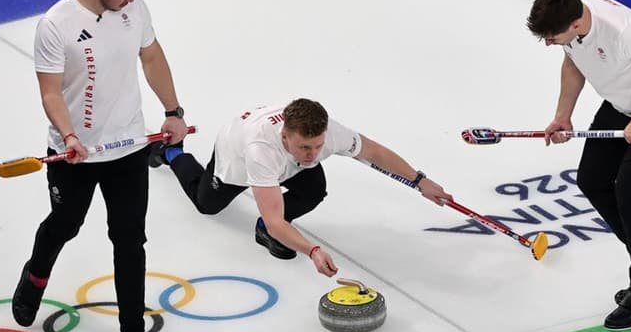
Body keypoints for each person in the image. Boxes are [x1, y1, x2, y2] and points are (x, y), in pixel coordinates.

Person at [11, 0, 188, 332]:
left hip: (127, 148)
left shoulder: (135, 8)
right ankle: (35, 275)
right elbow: (51, 91)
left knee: (130, 240)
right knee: (65, 224)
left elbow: (151, 56)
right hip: (74, 153)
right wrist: (70, 135)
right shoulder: (56, 24)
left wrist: (173, 111)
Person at [526, 0, 631, 330]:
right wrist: (562, 114)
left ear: (575, 24)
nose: (547, 43)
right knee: (591, 180)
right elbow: (573, 63)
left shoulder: (626, 32)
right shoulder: (570, 16)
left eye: (552, 37)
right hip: (619, 104)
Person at [149, 98, 452, 275]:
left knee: (314, 188)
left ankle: (264, 235)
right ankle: (173, 153)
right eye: (306, 147)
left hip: (283, 163)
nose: (314, 155)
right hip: (236, 157)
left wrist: (419, 180)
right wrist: (312, 250)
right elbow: (274, 219)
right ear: (285, 137)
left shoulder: (326, 134)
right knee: (207, 205)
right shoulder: (260, 151)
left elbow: (374, 153)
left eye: (318, 146)